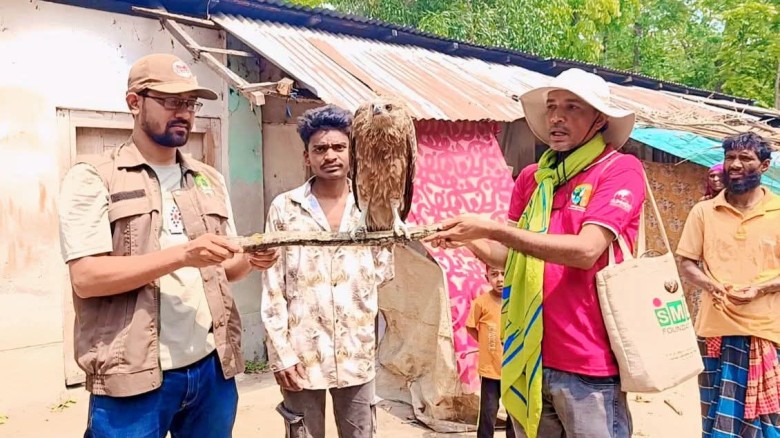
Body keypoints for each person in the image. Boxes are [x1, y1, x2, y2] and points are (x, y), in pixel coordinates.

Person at [58, 53, 278, 438]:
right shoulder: (93, 178)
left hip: (211, 369)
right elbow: (87, 278)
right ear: (134, 102)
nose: (185, 113)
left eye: (190, 103)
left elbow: (222, 270)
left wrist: (250, 260)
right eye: (171, 101)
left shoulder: (207, 179)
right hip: (133, 376)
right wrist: (182, 255)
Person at [425, 68, 646, 438]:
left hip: (588, 360)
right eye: (552, 107)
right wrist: (468, 239)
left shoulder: (619, 169)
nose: (557, 117)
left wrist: (492, 228)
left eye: (572, 107)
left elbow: (586, 250)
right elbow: (506, 257)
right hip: (529, 353)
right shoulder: (533, 178)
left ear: (600, 120)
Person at [261, 104, 394, 438]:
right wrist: (281, 355)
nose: (330, 155)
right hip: (301, 355)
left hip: (356, 352)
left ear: (352, 153)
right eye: (319, 149)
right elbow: (273, 286)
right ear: (307, 157)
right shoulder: (285, 208)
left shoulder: (370, 206)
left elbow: (381, 271)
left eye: (338, 147)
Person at [677, 132, 780, 437]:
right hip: (715, 332)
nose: (734, 165)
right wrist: (713, 286)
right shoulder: (703, 212)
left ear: (764, 165)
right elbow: (687, 263)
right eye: (730, 158)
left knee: (767, 424)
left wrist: (761, 289)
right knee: (715, 421)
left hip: (766, 333)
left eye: (744, 158)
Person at [466, 265, 516, 438]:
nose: (500, 279)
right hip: (490, 369)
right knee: (488, 411)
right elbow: (471, 326)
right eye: (494, 274)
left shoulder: (516, 301)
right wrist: (486, 342)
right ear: (486, 277)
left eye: (504, 274)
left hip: (513, 368)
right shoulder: (481, 302)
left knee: (514, 412)